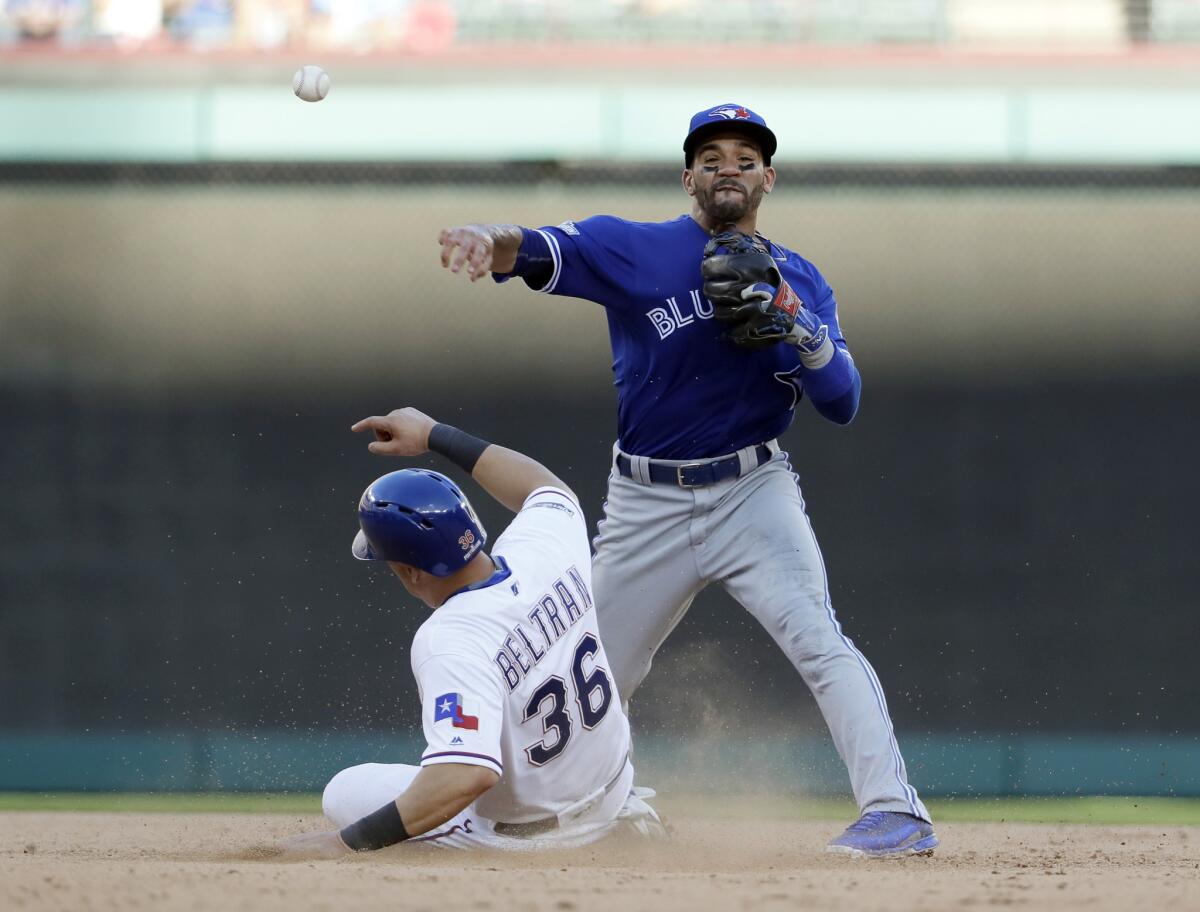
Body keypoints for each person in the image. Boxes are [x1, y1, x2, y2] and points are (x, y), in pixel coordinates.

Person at [435, 103, 937, 857]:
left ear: (767, 177)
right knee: (586, 671)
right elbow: (533, 249)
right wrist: (488, 241)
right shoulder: (633, 248)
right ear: (688, 177)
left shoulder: (798, 277)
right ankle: (601, 807)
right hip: (646, 501)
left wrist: (793, 322)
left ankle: (895, 811)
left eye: (744, 155)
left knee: (818, 641)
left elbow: (844, 401)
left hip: (751, 491)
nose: (727, 166)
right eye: (711, 156)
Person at [279, 407, 664, 858]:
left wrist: (345, 843)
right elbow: (543, 487)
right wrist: (433, 434)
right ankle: (628, 816)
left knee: (344, 791)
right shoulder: (545, 545)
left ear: (409, 571)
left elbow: (465, 774)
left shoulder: (450, 639)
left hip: (528, 839)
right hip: (614, 792)